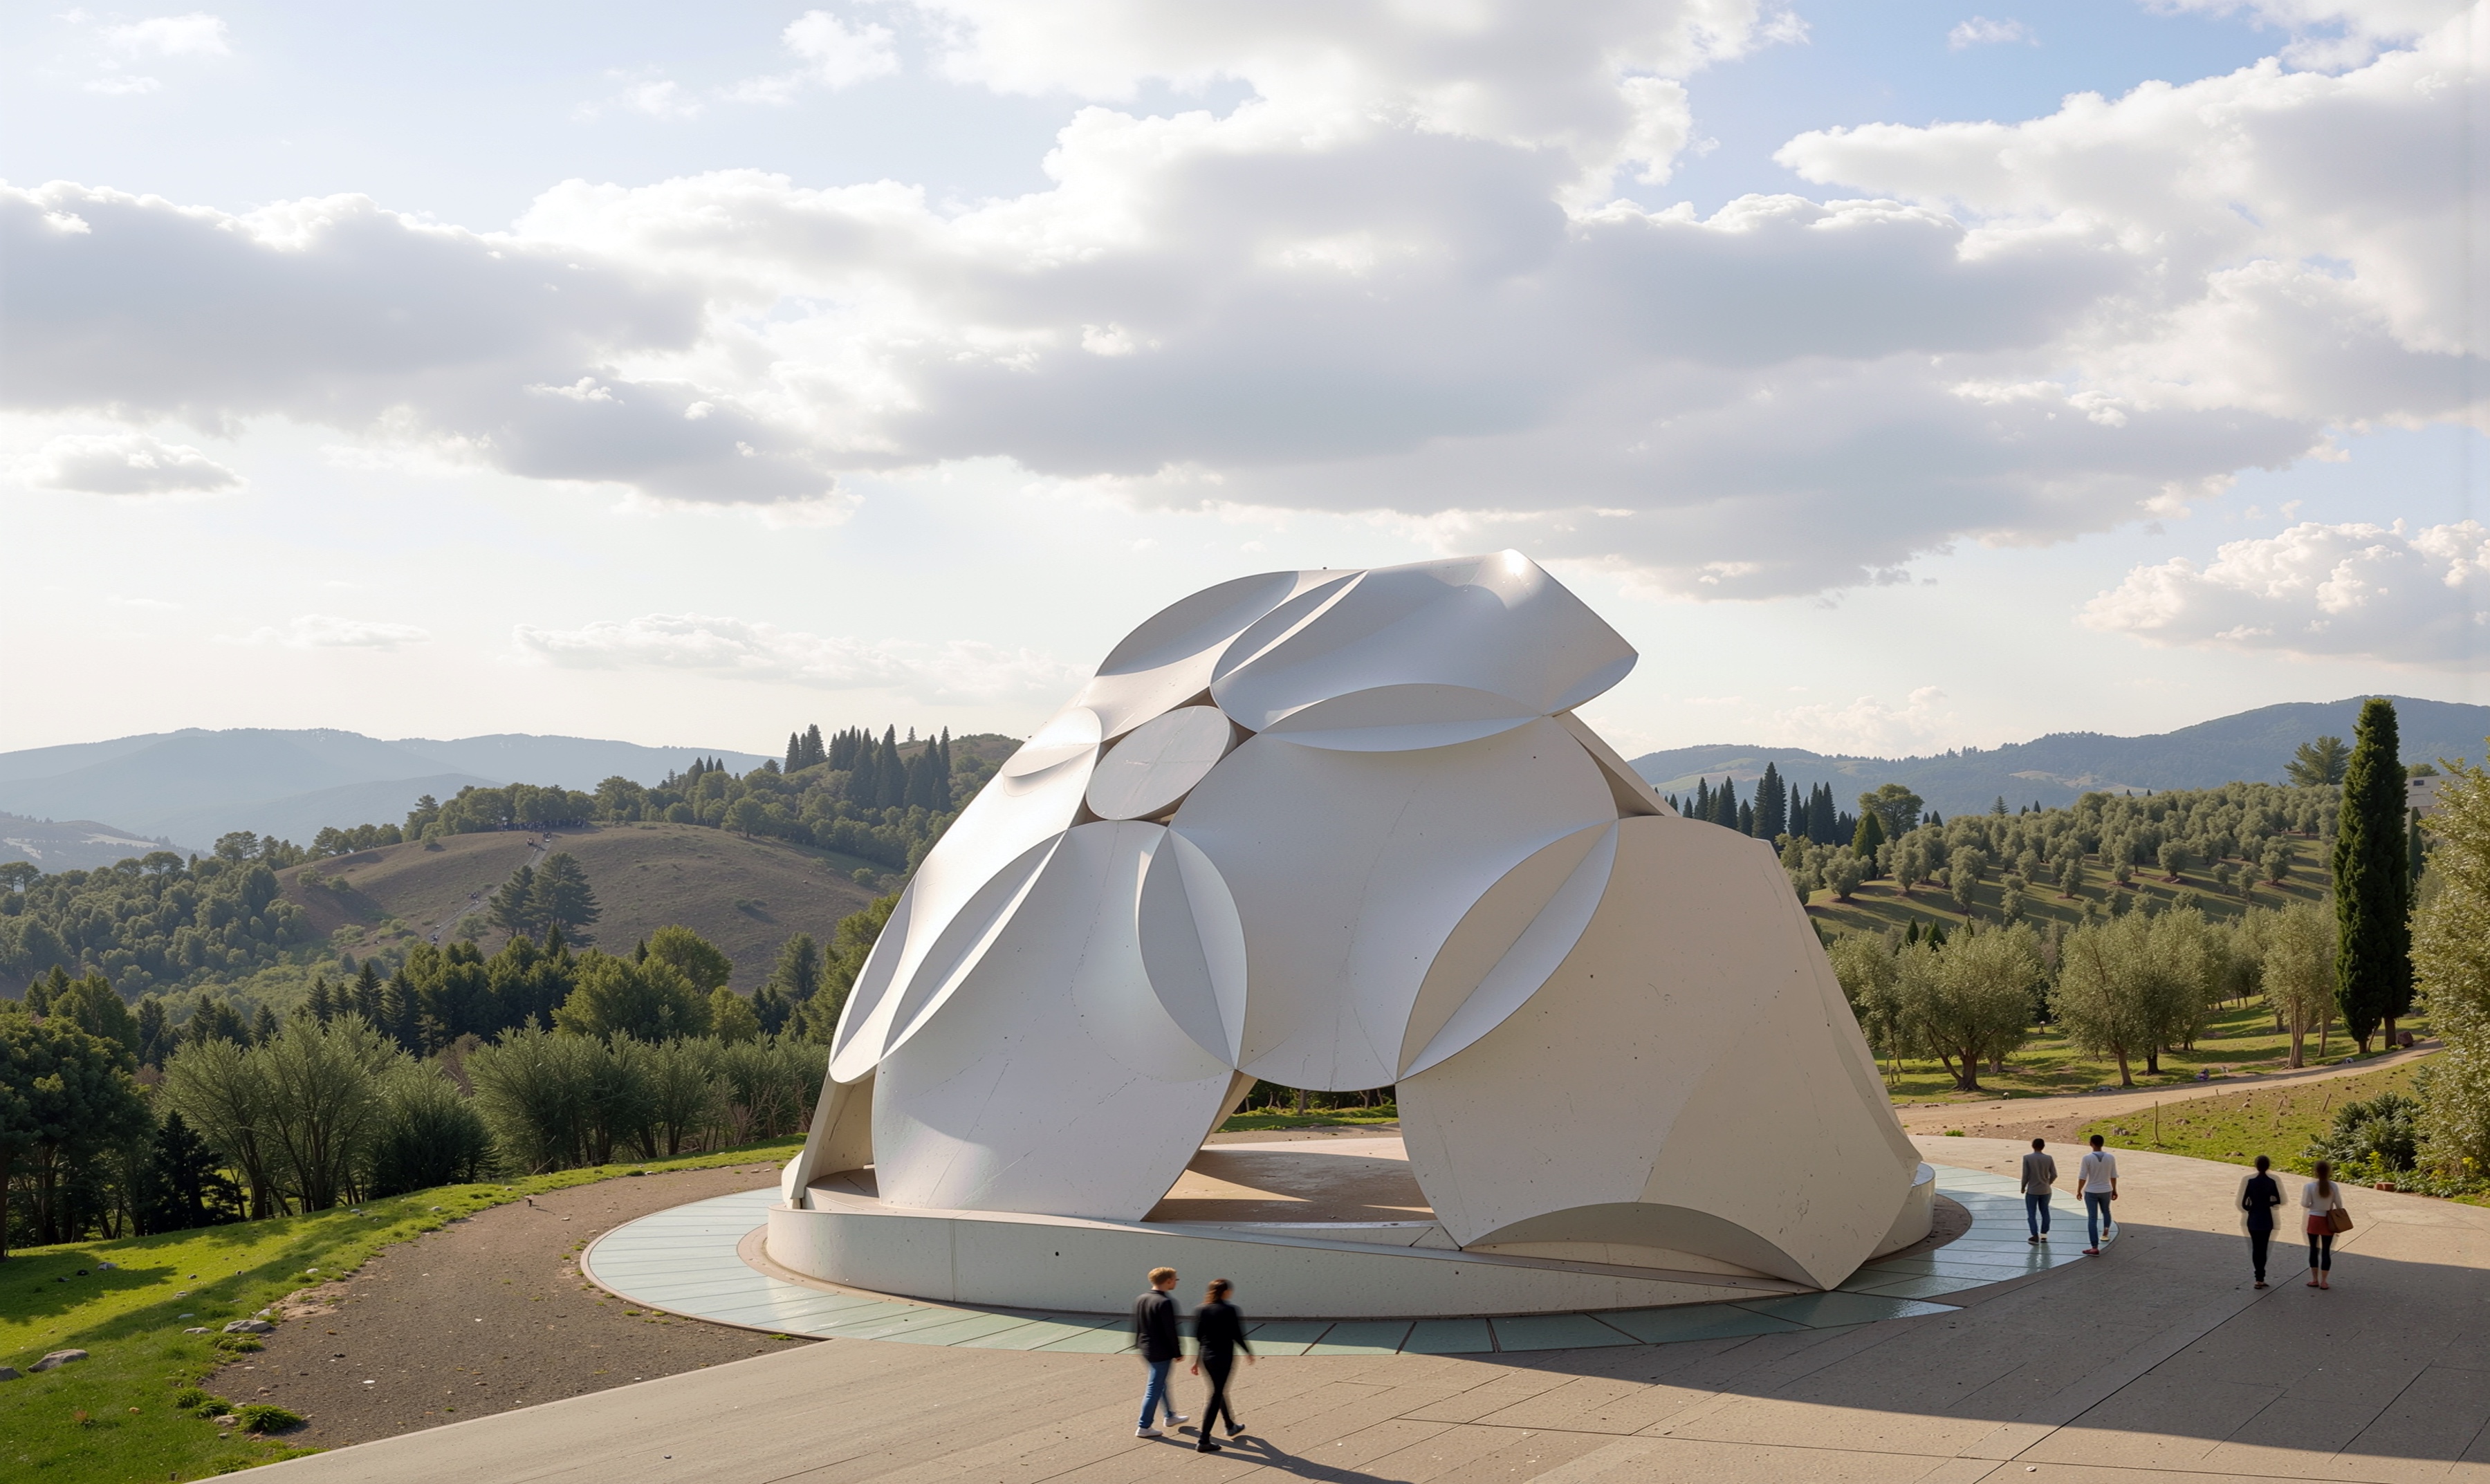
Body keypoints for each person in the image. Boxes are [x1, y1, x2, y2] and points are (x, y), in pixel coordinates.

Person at [1188, 1278, 1255, 1451]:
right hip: (1224, 1357)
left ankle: (1230, 1424)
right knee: (1216, 1394)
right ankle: (1203, 1440)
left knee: (1218, 1389)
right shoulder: (1230, 1310)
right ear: (1226, 1292)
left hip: (1206, 1357)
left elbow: (1198, 1337)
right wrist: (1248, 1351)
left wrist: (1196, 1360)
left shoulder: (1201, 1310)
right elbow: (1237, 1334)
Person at [1131, 1266, 1188, 1438]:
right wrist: (1177, 1352)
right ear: (1168, 1281)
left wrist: (1137, 1344)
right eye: (1175, 1279)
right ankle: (1144, 1426)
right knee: (1154, 1388)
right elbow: (1170, 1330)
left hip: (1146, 1348)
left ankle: (1170, 1416)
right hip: (1160, 1352)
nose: (1176, 1282)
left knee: (1160, 1383)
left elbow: (1138, 1324)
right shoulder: (1165, 1302)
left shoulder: (1142, 1298)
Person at [2238, 1155, 2283, 1288]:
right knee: (2263, 1249)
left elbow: (2244, 1204)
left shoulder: (2251, 1182)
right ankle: (2261, 1277)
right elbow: (2277, 1200)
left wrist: (2252, 1208)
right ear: (2268, 1166)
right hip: (2266, 1218)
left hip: (2253, 1218)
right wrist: (2267, 1202)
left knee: (2255, 1248)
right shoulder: (2271, 1182)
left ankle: (2257, 1277)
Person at [2303, 1160, 2345, 1290]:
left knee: (2313, 1250)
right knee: (2326, 1251)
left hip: (2314, 1219)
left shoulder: (2309, 1187)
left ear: (2315, 1172)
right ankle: (2324, 1281)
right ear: (2329, 1172)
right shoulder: (2334, 1186)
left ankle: (2314, 1279)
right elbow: (2339, 1205)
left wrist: (2313, 1206)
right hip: (2328, 1220)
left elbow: (2305, 1203)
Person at [2076, 1133, 2119, 1254]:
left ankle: (2094, 1247)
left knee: (2092, 1218)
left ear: (2091, 1144)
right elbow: (2113, 1175)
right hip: (2106, 1189)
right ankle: (2106, 1231)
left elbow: (2083, 1176)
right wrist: (2114, 1189)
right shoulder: (2111, 1157)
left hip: (2091, 1191)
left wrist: (2079, 1190)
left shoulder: (2087, 1158)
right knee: (2106, 1211)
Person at [2020, 1138, 2058, 1243]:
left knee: (2032, 1214)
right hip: (2046, 1190)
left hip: (2032, 1190)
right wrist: (2048, 1183)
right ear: (2043, 1146)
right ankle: (2044, 1234)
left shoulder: (2027, 1158)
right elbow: (2054, 1174)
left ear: (2033, 1146)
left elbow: (2025, 1175)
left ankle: (2035, 1235)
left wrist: (2023, 1187)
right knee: (2045, 1212)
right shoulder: (2049, 1158)